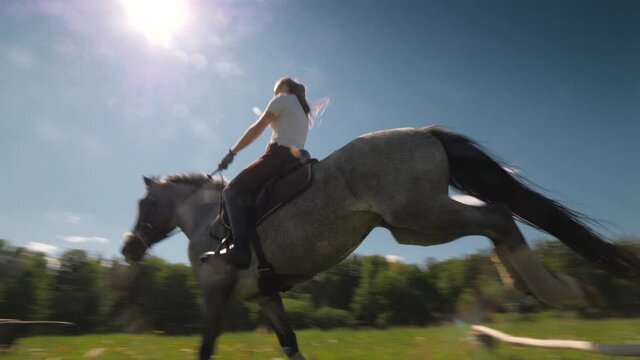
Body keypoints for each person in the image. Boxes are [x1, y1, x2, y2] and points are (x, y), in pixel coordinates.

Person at [212, 77, 313, 269]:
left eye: (276, 90)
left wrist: (231, 153)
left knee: (230, 192)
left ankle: (241, 251)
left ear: (285, 87)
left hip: (279, 155)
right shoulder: (301, 110)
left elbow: (257, 128)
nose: (274, 94)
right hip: (297, 158)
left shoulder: (283, 99)